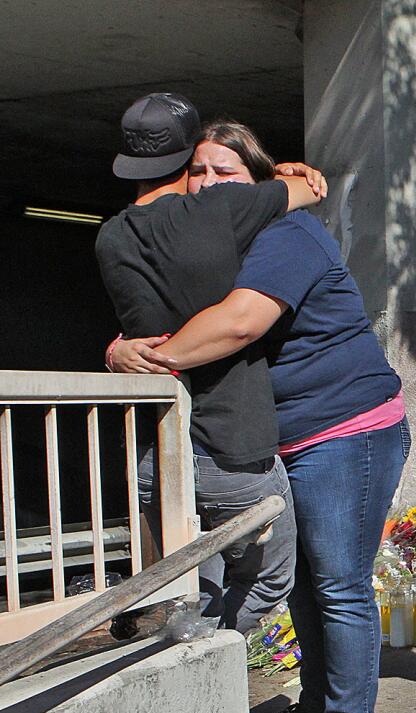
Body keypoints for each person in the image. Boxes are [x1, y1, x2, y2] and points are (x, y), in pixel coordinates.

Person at [108, 119, 408, 713]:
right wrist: (117, 348)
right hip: (282, 437)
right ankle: (314, 706)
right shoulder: (211, 241)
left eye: (227, 172)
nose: (211, 184)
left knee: (336, 582)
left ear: (260, 183)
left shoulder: (285, 233)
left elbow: (241, 321)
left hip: (346, 428)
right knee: (300, 581)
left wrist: (152, 359)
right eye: (200, 172)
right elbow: (165, 309)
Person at [96, 94, 324, 634]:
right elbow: (311, 189)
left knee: (182, 589)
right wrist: (285, 171)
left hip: (158, 456)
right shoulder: (222, 211)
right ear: (186, 158)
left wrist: (115, 352)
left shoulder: (109, 237)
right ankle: (198, 666)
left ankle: (178, 652)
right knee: (269, 579)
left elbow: (135, 330)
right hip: (235, 452)